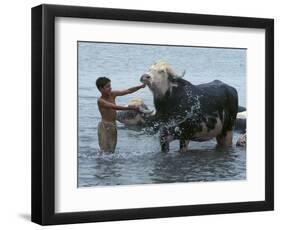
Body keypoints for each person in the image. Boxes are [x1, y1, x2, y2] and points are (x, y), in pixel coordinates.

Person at [96, 76, 146, 153]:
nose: (110, 88)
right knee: (104, 151)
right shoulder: (100, 101)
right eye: (107, 87)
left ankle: (110, 165)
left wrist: (140, 86)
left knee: (112, 151)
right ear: (101, 89)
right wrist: (130, 108)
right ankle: (101, 164)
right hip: (104, 126)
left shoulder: (113, 94)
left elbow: (128, 91)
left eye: (110, 86)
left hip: (113, 125)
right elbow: (114, 107)